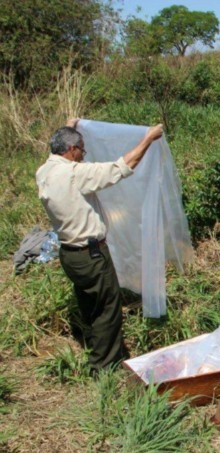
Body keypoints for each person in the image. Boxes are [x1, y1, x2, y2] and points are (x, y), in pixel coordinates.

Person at [36, 118, 164, 372]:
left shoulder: (44, 172)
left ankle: (97, 349)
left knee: (91, 306)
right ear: (71, 150)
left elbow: (60, 151)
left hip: (70, 255)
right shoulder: (75, 174)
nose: (83, 156)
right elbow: (124, 166)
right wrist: (149, 138)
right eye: (81, 150)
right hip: (91, 255)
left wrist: (69, 126)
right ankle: (104, 367)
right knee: (108, 308)